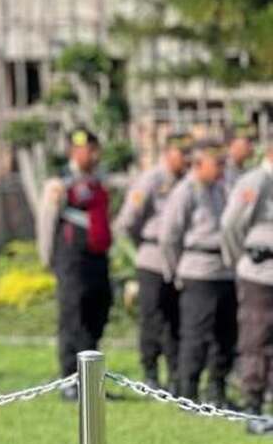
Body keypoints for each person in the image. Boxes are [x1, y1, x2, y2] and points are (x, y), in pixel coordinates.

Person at [37, 128, 112, 399]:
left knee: (96, 313)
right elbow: (46, 221)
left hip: (96, 258)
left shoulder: (98, 181)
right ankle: (69, 379)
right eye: (87, 149)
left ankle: (90, 380)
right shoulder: (60, 184)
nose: (93, 154)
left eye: (94, 148)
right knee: (73, 317)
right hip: (71, 259)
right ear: (74, 151)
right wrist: (47, 257)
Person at [114, 132, 192, 392]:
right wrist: (142, 250)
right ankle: (150, 371)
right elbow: (127, 222)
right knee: (152, 317)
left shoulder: (187, 182)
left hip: (179, 260)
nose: (188, 159)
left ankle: (174, 373)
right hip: (152, 259)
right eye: (183, 154)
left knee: (176, 318)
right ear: (168, 153)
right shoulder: (151, 180)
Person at [161, 140, 236, 406]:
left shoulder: (221, 190)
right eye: (217, 164)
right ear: (199, 164)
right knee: (196, 334)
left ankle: (217, 389)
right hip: (198, 271)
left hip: (224, 271)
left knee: (225, 335)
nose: (222, 169)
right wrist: (176, 272)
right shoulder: (185, 191)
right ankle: (188, 391)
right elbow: (169, 236)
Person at [219, 143, 273, 433]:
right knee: (256, 338)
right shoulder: (256, 181)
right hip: (259, 274)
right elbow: (230, 225)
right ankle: (252, 405)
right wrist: (239, 258)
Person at [223, 125, 257, 197]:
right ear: (232, 144)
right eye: (248, 142)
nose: (252, 146)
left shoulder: (247, 169)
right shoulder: (221, 171)